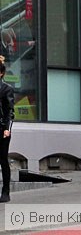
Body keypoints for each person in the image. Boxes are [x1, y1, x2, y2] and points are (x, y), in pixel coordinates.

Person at [0, 56, 13, 202]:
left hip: (2, 129)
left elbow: (10, 111)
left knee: (3, 159)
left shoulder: (6, 89)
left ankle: (6, 191)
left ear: (1, 73)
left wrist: (7, 128)